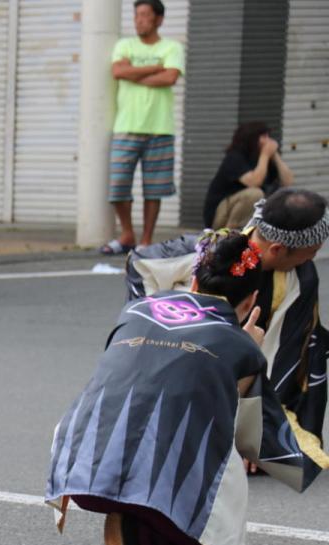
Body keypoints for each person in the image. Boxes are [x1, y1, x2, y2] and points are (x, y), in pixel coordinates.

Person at [49, 229, 323, 545]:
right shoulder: (239, 344)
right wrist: (303, 463)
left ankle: (131, 514)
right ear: (253, 298)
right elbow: (255, 436)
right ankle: (139, 532)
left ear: (194, 278)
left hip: (82, 462)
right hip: (159, 466)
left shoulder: (136, 308)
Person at [126, 188, 329, 450]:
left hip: (237, 367)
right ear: (277, 249)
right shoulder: (208, 252)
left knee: (312, 341)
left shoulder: (297, 279)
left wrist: (255, 436)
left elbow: (281, 355)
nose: (312, 258)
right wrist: (159, 322)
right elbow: (140, 264)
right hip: (176, 357)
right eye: (311, 252)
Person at [101, 0, 184, 255]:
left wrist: (134, 72)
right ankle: (127, 234)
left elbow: (170, 77)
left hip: (160, 128)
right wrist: (154, 68)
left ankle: (146, 241)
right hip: (126, 126)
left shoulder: (172, 46)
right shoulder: (124, 45)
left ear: (158, 19)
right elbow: (118, 71)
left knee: (154, 188)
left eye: (145, 15)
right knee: (118, 186)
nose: (139, 20)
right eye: (136, 15)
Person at [203, 121, 294, 230]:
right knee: (255, 194)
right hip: (220, 215)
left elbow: (288, 182)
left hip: (246, 213)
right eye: (264, 137)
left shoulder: (262, 160)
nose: (268, 141)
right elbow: (255, 182)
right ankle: (229, 233)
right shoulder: (234, 158)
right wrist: (265, 154)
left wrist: (275, 155)